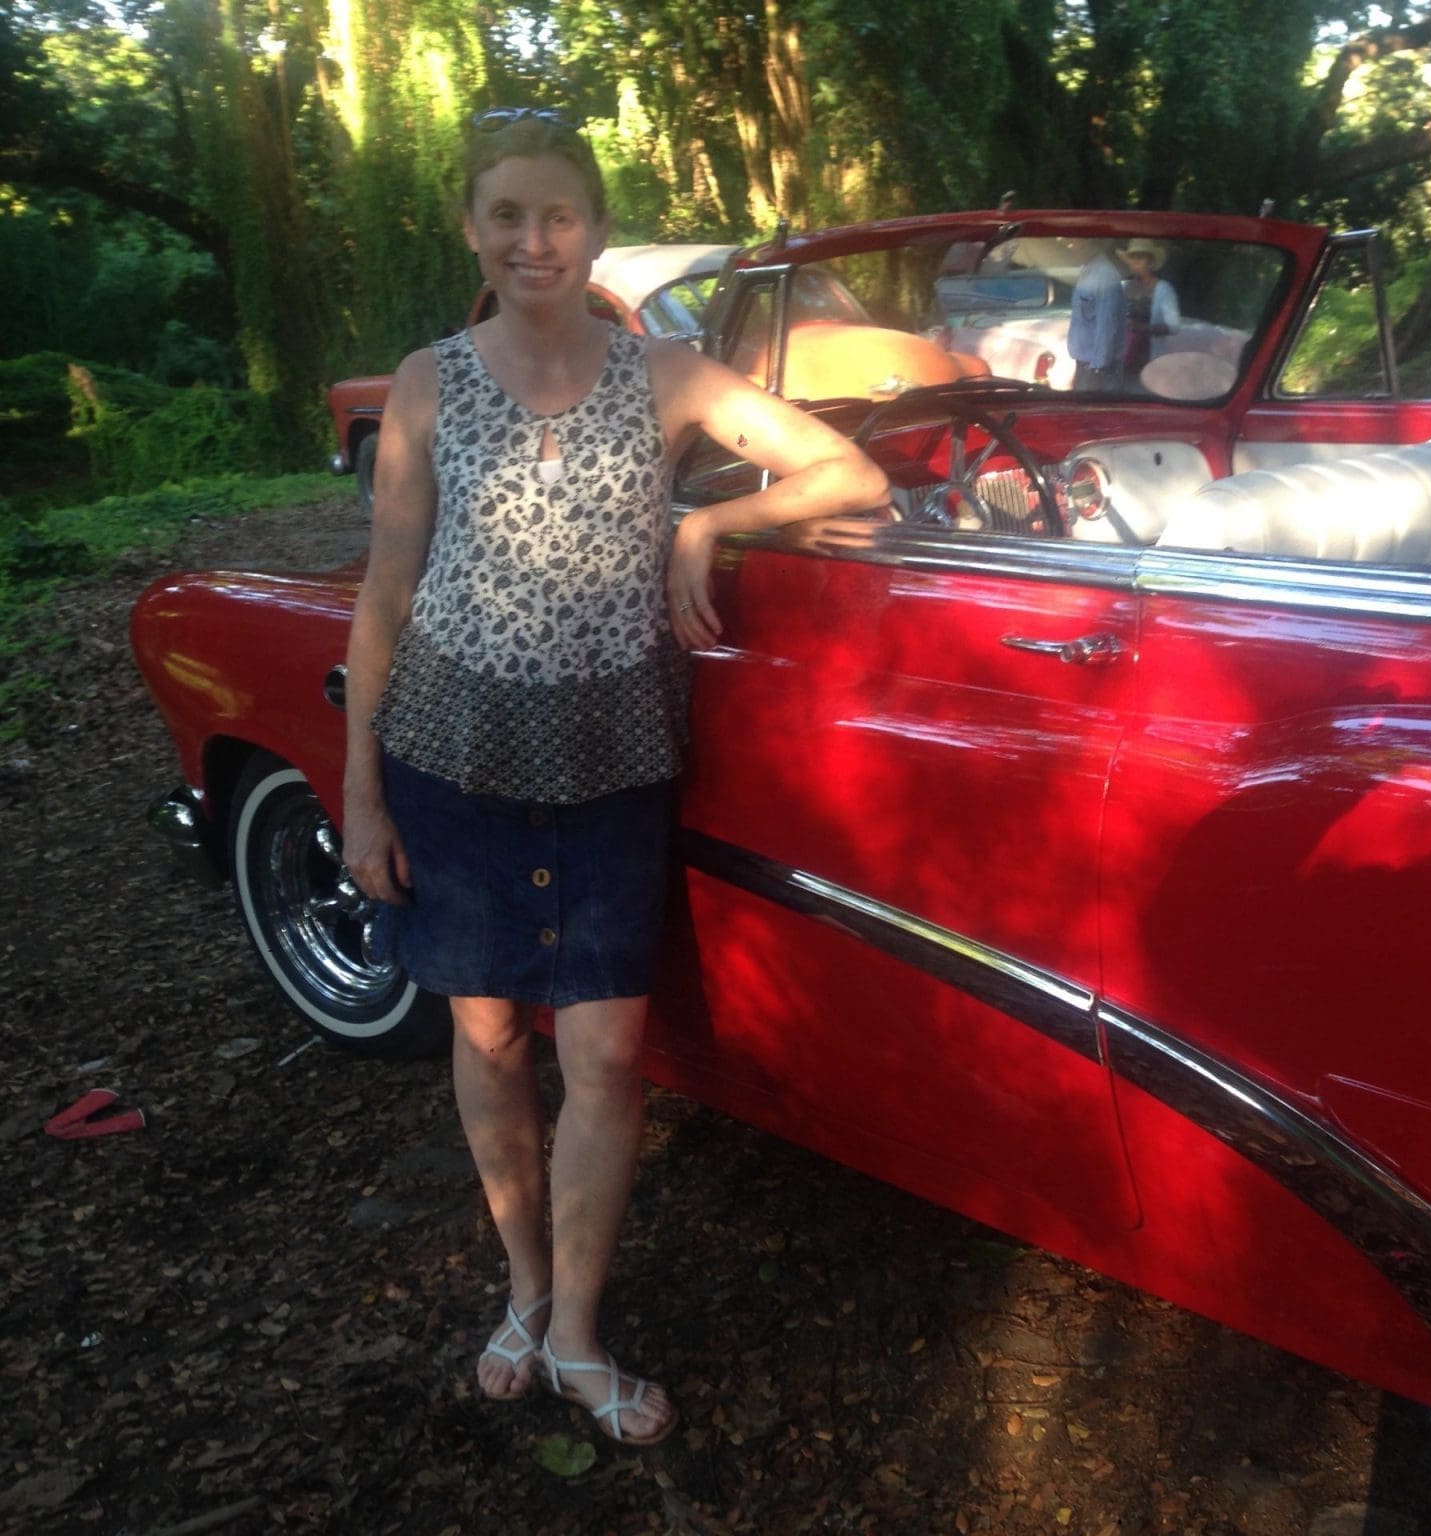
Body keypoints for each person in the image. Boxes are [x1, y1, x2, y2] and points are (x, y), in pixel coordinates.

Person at [342, 107, 887, 1446]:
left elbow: (850, 471)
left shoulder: (670, 373)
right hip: (451, 761)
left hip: (611, 763)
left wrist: (713, 516)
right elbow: (387, 590)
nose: (536, 240)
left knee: (606, 1049)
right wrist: (359, 789)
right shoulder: (427, 382)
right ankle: (521, 1291)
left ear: (593, 231)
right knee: (483, 1036)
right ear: (475, 227)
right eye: (510, 216)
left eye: (561, 216)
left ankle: (576, 1328)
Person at [1066, 241, 1127, 390]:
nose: (1072, 248)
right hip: (1084, 366)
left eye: (1078, 244)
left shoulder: (1105, 275)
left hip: (1100, 370)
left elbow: (1107, 325)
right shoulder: (1087, 271)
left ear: (1093, 245)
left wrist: (1098, 370)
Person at [1121, 239, 1182, 374]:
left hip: (1149, 359)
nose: (1136, 262)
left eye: (1141, 258)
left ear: (1151, 262)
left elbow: (1174, 326)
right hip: (1122, 358)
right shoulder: (1122, 287)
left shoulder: (1163, 289)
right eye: (1132, 258)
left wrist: (1140, 328)